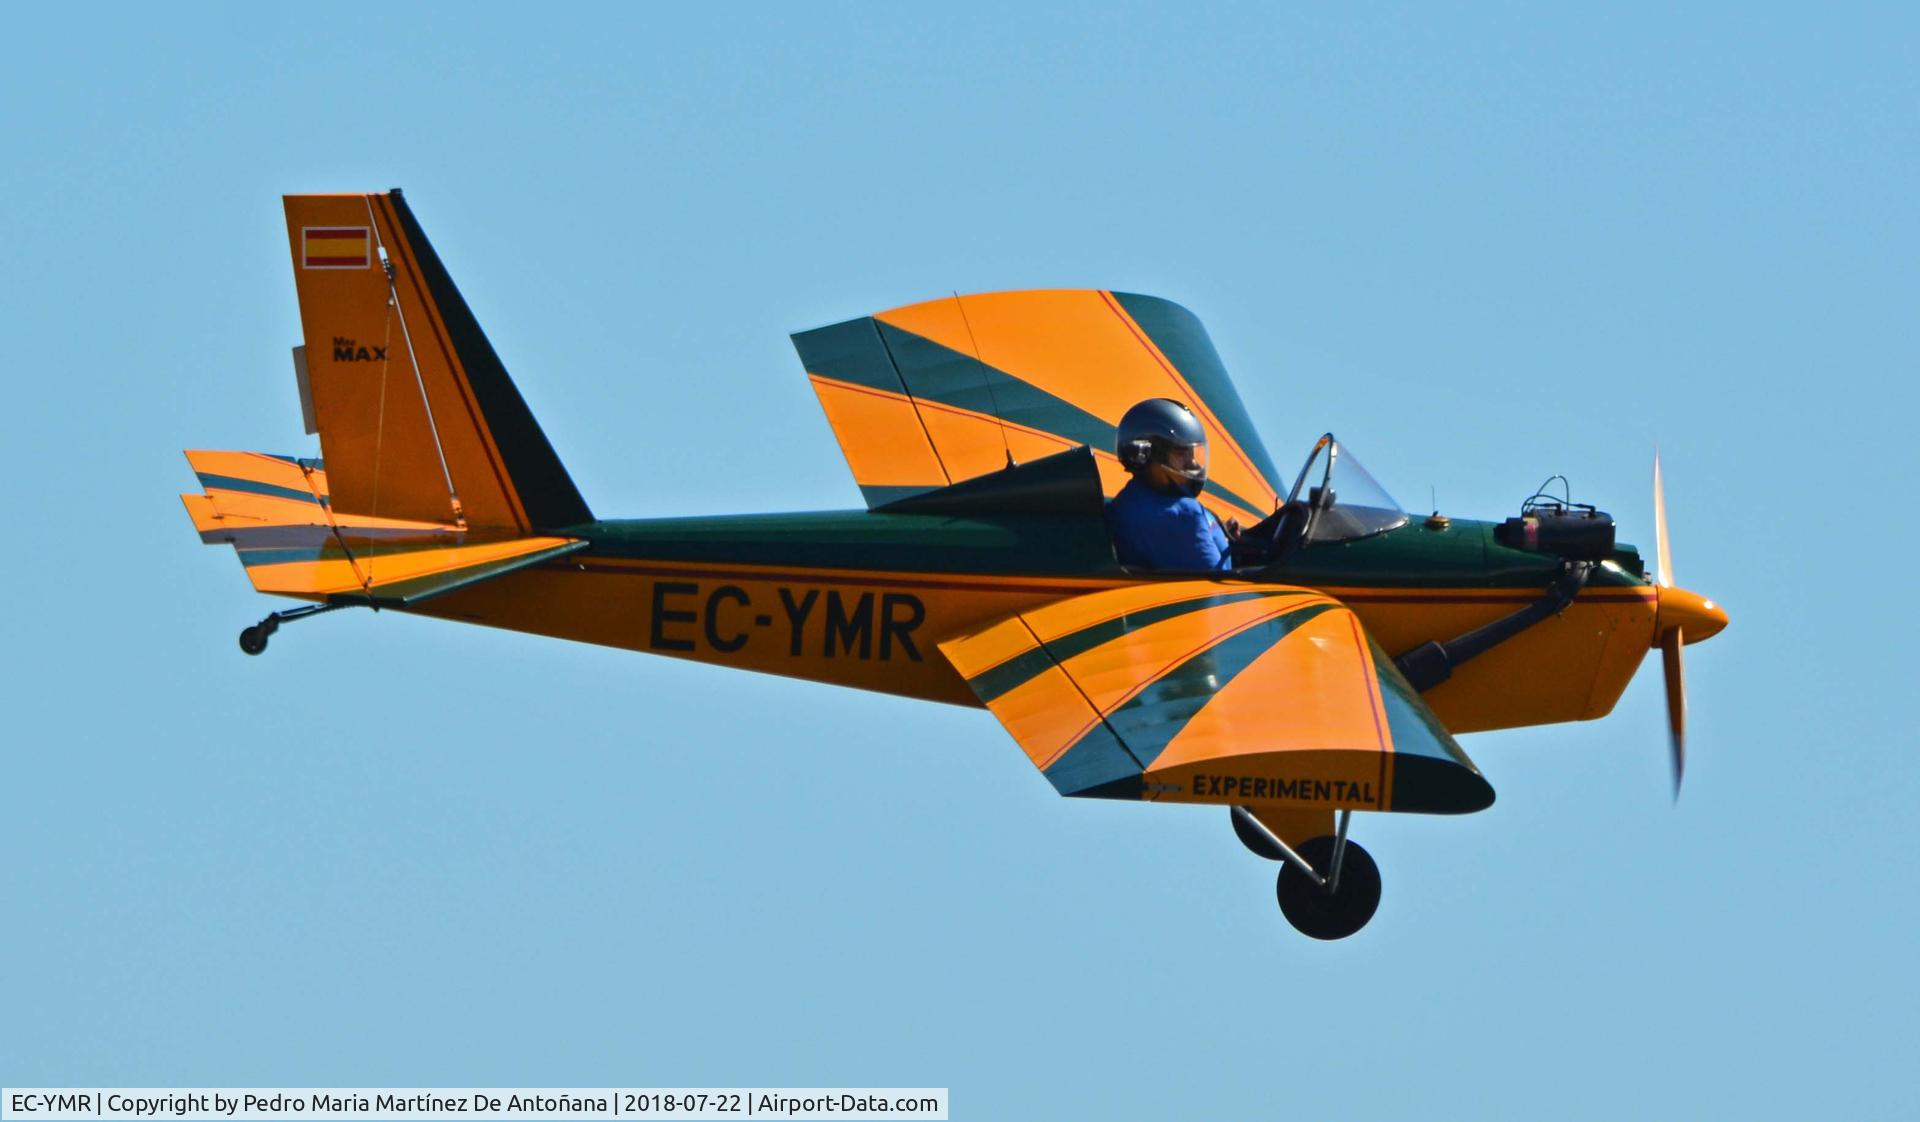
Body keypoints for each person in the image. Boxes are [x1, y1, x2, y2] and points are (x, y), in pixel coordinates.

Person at [1106, 398, 1240, 570]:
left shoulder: (1127, 501)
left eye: (1192, 453)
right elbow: (1220, 585)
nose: (1194, 464)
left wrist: (1220, 531)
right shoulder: (1185, 516)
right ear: (1147, 456)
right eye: (1181, 454)